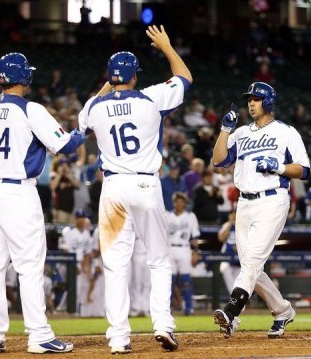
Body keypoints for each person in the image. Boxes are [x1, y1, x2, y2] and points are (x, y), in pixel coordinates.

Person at [77, 25, 192, 354]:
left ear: (110, 76)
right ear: (135, 77)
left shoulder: (94, 107)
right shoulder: (151, 98)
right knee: (157, 260)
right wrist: (167, 47)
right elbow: (184, 78)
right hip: (144, 184)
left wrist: (109, 84)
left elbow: (85, 117)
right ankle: (163, 326)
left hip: (112, 188)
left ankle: (118, 338)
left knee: (116, 265)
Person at [0, 52, 83, 354]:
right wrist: (82, 131)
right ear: (26, 77)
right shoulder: (30, 109)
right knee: (30, 266)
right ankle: (39, 335)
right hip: (17, 193)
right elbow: (66, 147)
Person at [212, 81, 311, 339]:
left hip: (272, 200)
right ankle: (282, 310)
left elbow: (304, 170)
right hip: (244, 203)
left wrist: (279, 166)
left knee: (253, 260)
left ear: (268, 102)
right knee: (251, 267)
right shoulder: (241, 133)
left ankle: (232, 312)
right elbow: (219, 160)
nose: (251, 103)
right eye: (249, 99)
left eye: (256, 98)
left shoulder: (286, 132)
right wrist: (225, 130)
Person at [167, 192, 200, 316]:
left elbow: (195, 236)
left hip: (184, 249)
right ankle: (168, 309)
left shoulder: (190, 216)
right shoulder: (167, 216)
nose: (178, 203)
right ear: (173, 202)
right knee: (170, 280)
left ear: (185, 203)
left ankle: (188, 308)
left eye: (181, 201)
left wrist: (196, 252)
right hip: (170, 249)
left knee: (185, 280)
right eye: (176, 201)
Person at [217, 211, 241, 294]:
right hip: (226, 257)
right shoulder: (226, 225)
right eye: (232, 214)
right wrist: (231, 222)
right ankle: (235, 298)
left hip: (239, 259)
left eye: (235, 213)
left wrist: (239, 247)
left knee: (239, 281)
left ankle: (236, 301)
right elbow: (221, 238)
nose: (233, 215)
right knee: (224, 269)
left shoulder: (243, 225)